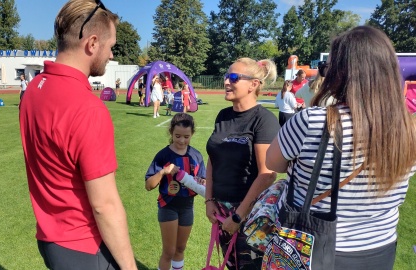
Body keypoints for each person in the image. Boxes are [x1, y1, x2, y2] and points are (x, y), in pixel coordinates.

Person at [266, 26, 416, 270]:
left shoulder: (313, 121)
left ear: (340, 73)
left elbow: (273, 163)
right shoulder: (409, 130)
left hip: (315, 246)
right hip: (380, 248)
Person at [19, 0, 137, 269]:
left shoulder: (35, 87)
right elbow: (104, 205)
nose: (110, 55)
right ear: (92, 43)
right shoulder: (87, 108)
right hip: (84, 246)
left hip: (50, 239)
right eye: (110, 47)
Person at [205, 58, 280, 269]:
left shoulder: (264, 120)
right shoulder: (223, 116)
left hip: (250, 216)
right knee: (231, 265)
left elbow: (267, 174)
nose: (226, 82)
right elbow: (213, 158)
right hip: (222, 212)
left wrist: (238, 216)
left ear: (253, 84)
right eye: (226, 77)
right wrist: (209, 199)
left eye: (234, 77)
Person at [145, 113, 206, 270]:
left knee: (180, 249)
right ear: (171, 132)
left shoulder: (196, 156)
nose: (181, 140)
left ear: (192, 134)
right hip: (168, 206)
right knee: (169, 251)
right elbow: (148, 185)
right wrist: (163, 172)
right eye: (177, 136)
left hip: (187, 207)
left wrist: (202, 181)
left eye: (186, 137)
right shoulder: (163, 155)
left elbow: (204, 182)